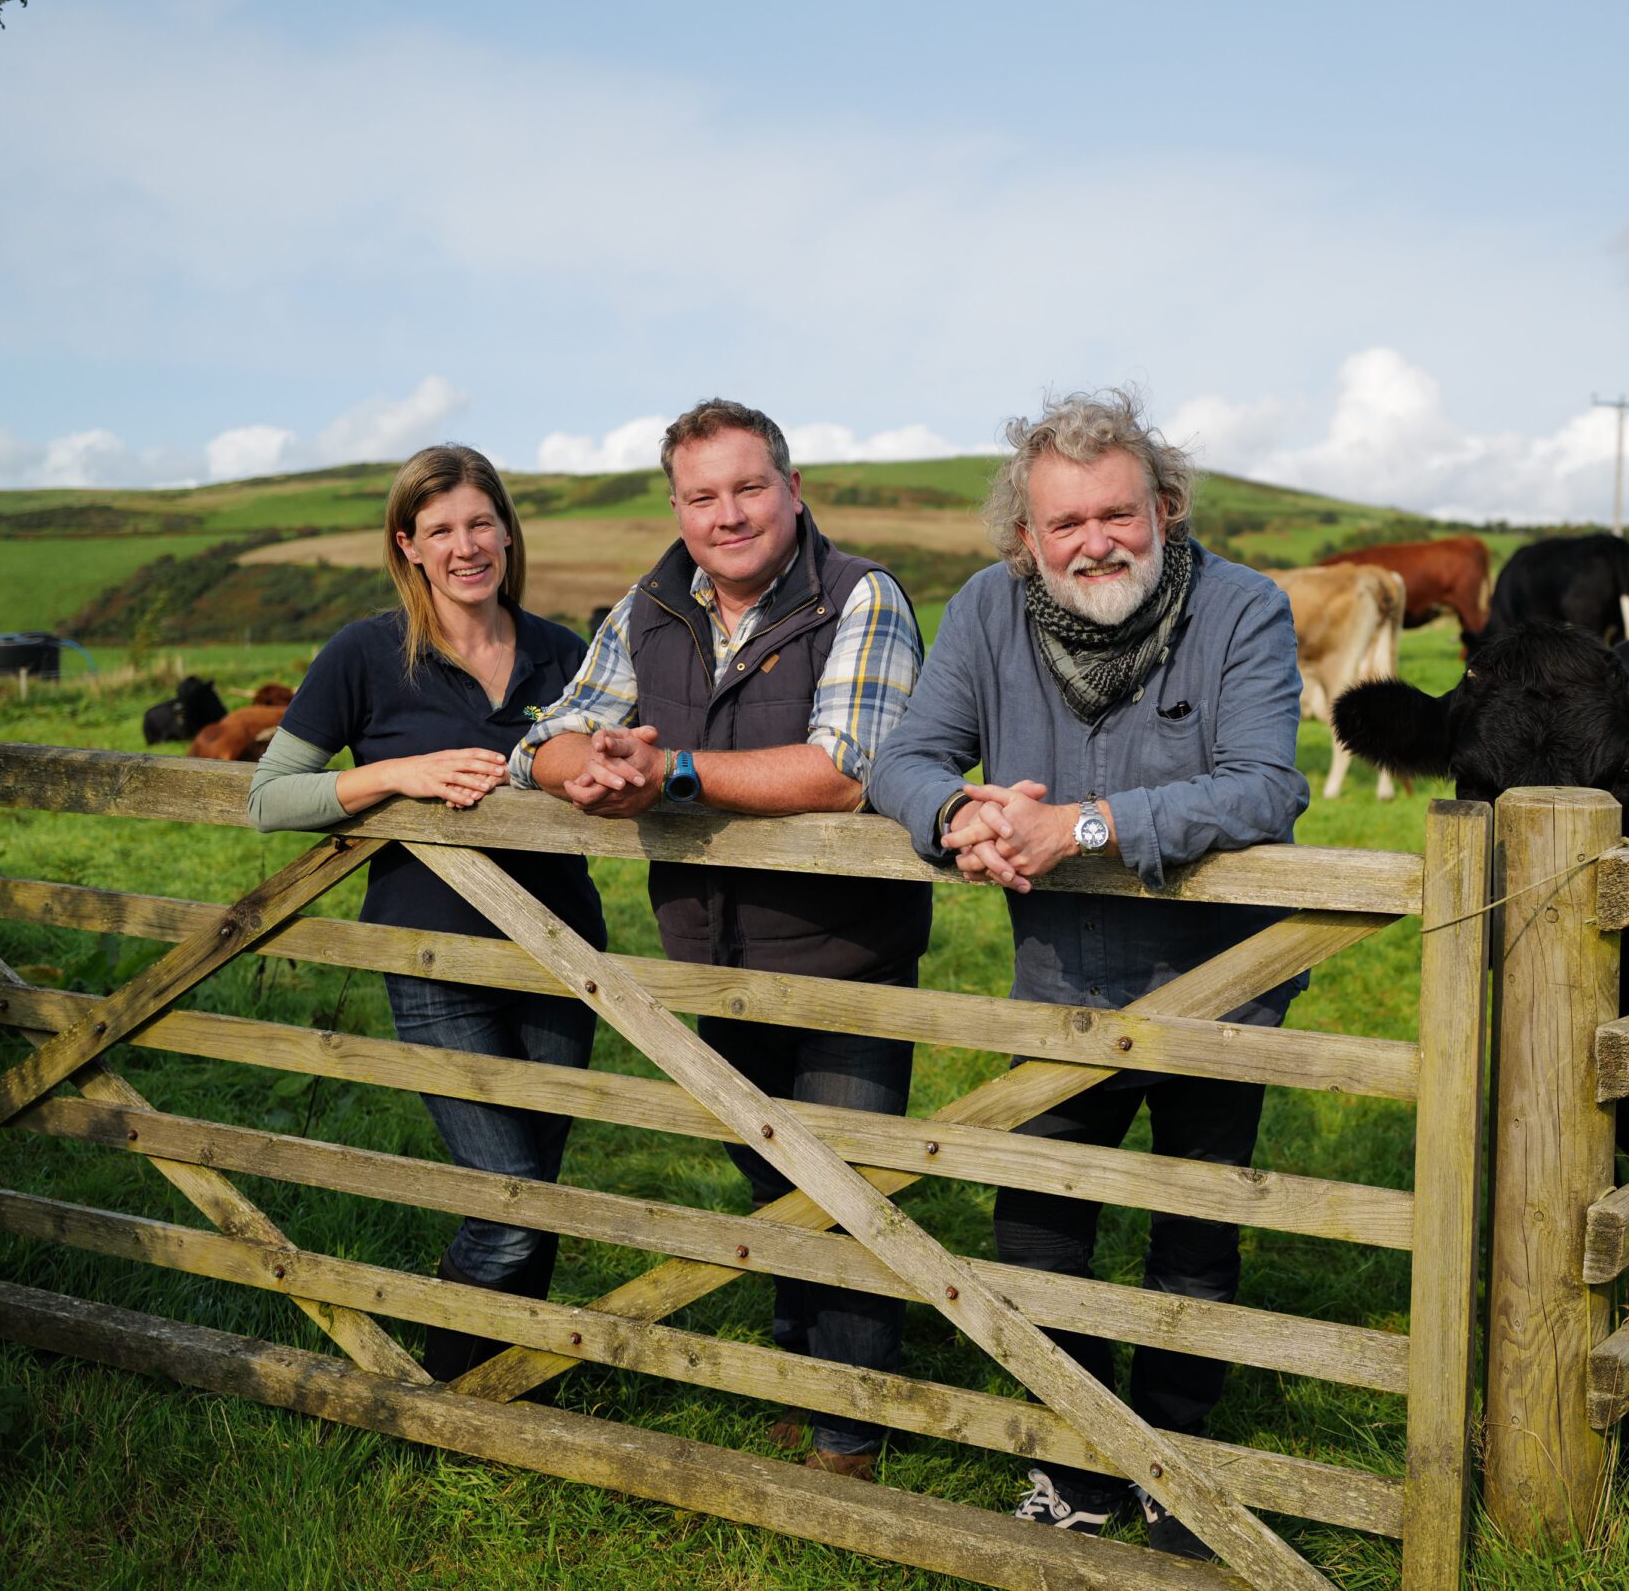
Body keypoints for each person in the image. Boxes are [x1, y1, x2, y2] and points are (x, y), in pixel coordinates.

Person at [868, 388, 1308, 1557]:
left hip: (1224, 987)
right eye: (1064, 524)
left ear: (1163, 507)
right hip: (1061, 984)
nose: (1093, 542)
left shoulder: (1243, 607)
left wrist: (1091, 825)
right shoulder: (985, 611)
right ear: (1025, 536)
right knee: (1040, 1226)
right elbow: (903, 757)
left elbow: (1265, 784)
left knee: (1195, 1230)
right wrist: (957, 810)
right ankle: (1073, 1467)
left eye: (1117, 513)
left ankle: (1177, 1466)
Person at [512, 398, 930, 1482]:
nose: (727, 513)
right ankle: (801, 1376)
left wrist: (674, 773)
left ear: (793, 490)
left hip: (843, 953)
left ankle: (851, 1437)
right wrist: (589, 768)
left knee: (843, 1193)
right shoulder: (651, 604)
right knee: (766, 1179)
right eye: (702, 495)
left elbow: (846, 764)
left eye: (749, 487)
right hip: (712, 949)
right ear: (677, 507)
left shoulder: (860, 596)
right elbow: (551, 731)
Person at [247, 444, 606, 1381]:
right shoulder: (367, 656)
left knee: (540, 1187)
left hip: (563, 961)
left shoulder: (566, 655)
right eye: (440, 529)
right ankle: (447, 1384)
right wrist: (396, 776)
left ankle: (511, 1382)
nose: (465, 545)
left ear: (506, 530)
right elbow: (269, 797)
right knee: (510, 1195)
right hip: (437, 966)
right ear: (407, 545)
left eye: (480, 522)